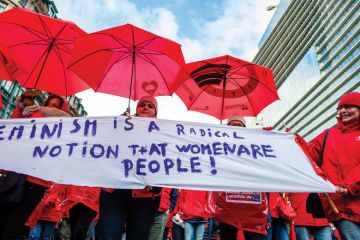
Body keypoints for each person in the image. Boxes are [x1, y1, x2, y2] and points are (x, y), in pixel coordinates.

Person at [0, 91, 69, 239]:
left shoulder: (65, 126)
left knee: (13, 226)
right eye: (49, 104)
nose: (51, 108)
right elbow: (14, 126)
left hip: (36, 183)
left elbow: (38, 130)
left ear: (63, 110)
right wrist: (21, 104)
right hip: (16, 176)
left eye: (55, 106)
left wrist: (34, 109)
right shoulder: (32, 113)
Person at [97, 95, 162, 240]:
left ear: (155, 112)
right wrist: (116, 126)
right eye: (142, 105)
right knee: (108, 235)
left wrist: (159, 183)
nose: (145, 107)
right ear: (137, 109)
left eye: (150, 106)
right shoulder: (121, 124)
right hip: (114, 191)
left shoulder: (164, 133)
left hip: (145, 195)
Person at [306, 92, 360, 240]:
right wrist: (290, 141)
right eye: (340, 108)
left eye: (348, 106)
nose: (342, 111)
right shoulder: (328, 134)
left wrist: (350, 184)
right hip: (342, 206)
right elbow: (307, 154)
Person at [212, 114, 268, 240]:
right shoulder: (219, 146)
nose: (236, 128)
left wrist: (269, 139)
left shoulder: (254, 144)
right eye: (232, 125)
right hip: (227, 207)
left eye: (239, 125)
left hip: (253, 209)